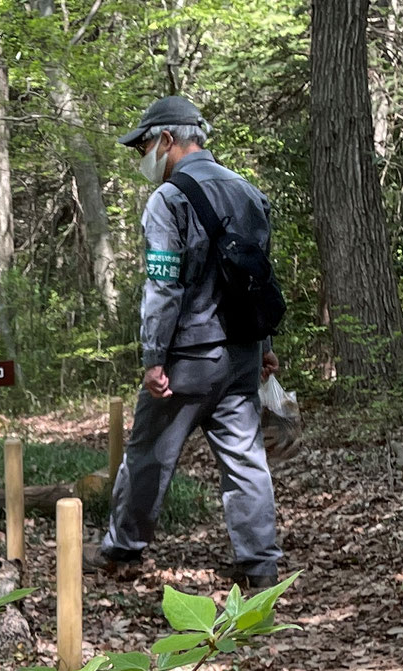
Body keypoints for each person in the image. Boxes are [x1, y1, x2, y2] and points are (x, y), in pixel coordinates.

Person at [92, 94, 282, 588]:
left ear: (168, 139)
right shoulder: (249, 193)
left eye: (145, 146)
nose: (144, 158)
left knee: (148, 454)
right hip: (241, 354)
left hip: (187, 360)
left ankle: (122, 552)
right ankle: (260, 566)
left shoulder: (169, 199)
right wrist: (262, 349)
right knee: (245, 461)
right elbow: (258, 279)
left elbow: (163, 284)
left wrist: (154, 357)